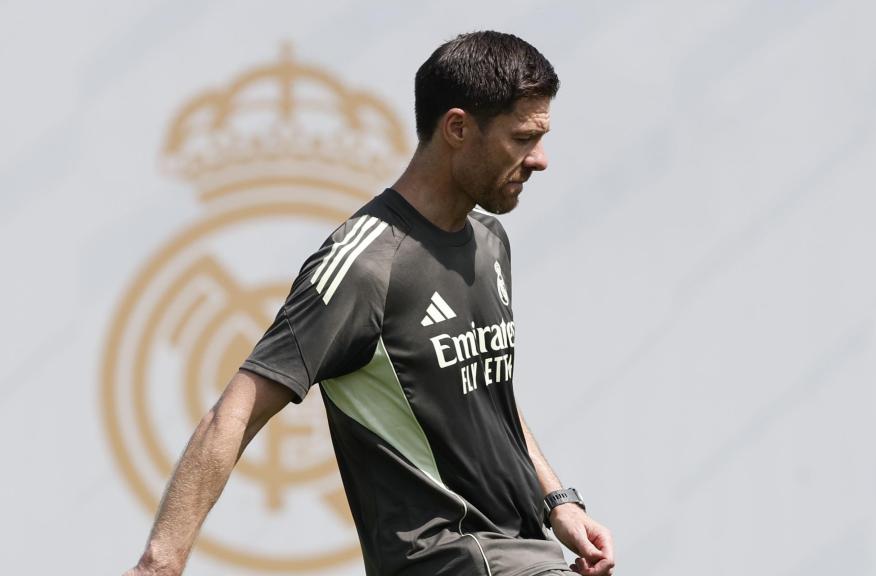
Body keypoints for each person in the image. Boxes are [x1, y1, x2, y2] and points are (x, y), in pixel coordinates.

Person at [125, 31, 615, 576]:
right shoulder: (364, 265)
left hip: (527, 550)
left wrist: (556, 501)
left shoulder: (490, 241)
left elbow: (485, 395)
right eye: (523, 138)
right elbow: (231, 414)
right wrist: (159, 563)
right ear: (457, 128)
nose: (540, 160)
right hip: (456, 560)